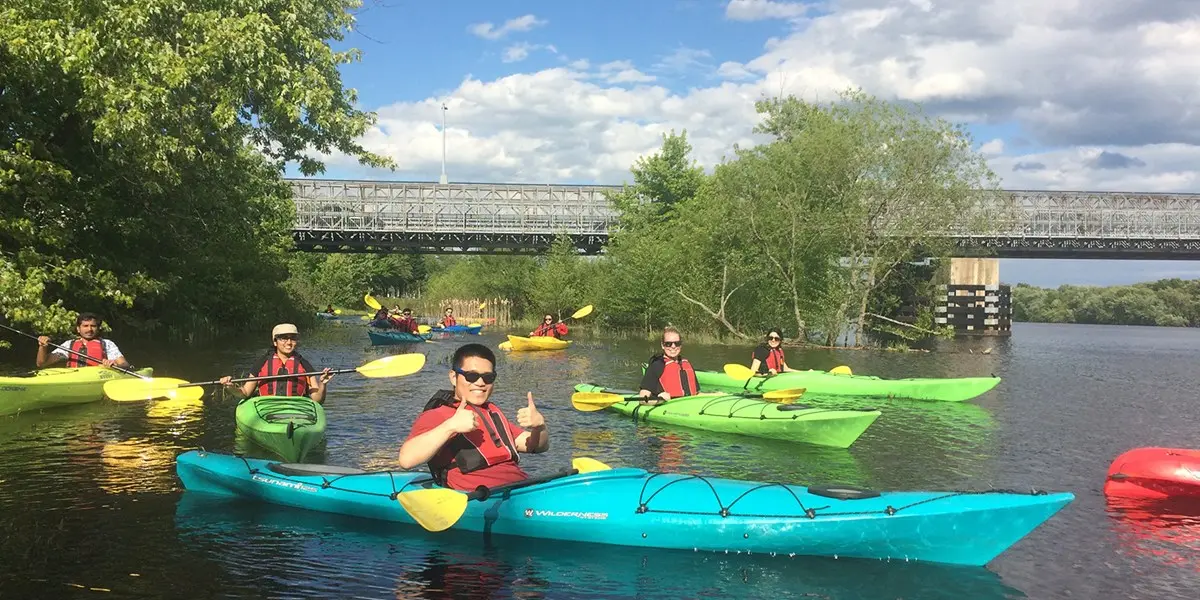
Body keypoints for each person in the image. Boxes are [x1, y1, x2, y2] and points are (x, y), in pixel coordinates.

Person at [398, 343, 549, 491]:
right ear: (453, 377)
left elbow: (537, 446)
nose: (480, 383)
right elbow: (406, 460)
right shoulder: (437, 415)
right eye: (471, 376)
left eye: (488, 377)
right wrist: (450, 426)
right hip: (481, 499)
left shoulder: (491, 412)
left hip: (519, 492)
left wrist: (539, 426)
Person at [218, 323, 333, 403]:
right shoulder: (262, 363)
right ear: (275, 341)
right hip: (267, 408)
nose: (289, 343)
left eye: (293, 338)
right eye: (283, 338)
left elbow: (317, 400)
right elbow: (245, 392)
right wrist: (231, 387)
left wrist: (323, 383)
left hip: (296, 409)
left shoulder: (304, 364)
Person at [36, 312, 131, 369]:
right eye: (85, 326)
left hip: (98, 377)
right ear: (78, 329)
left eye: (93, 326)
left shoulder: (107, 344)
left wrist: (115, 365)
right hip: (74, 379)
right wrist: (42, 347)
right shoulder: (69, 345)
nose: (89, 329)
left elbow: (125, 364)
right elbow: (41, 363)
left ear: (98, 328)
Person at [638, 326, 698, 403]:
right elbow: (642, 399)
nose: (673, 346)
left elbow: (697, 394)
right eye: (668, 344)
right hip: (666, 407)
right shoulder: (657, 365)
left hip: (689, 405)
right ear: (663, 345)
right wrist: (659, 400)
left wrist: (716, 395)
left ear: (681, 345)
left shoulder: (687, 364)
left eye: (677, 343)